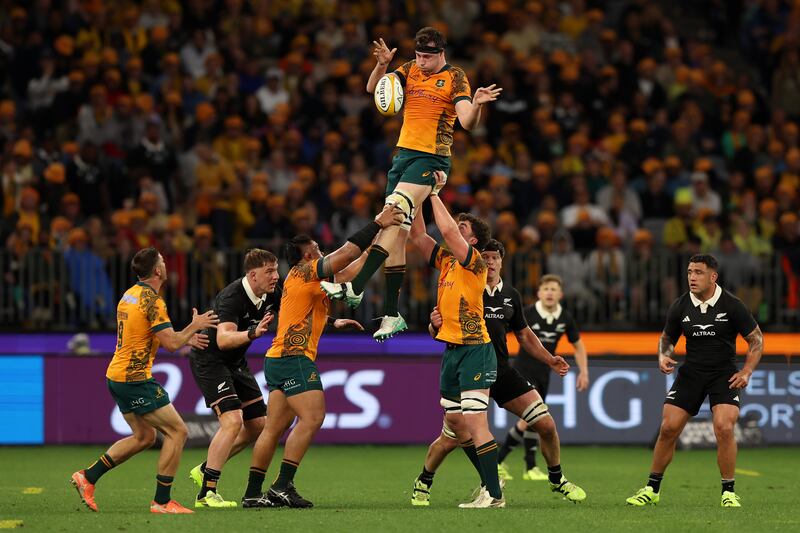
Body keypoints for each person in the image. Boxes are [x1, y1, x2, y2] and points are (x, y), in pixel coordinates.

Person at [321, 26, 502, 342]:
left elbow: (467, 122)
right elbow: (373, 90)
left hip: (431, 158)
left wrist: (478, 104)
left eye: (427, 57)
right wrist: (381, 66)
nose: (421, 61)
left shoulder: (456, 77)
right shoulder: (408, 69)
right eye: (418, 55)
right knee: (398, 233)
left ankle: (358, 286)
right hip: (403, 157)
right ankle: (392, 314)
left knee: (393, 212)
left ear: (440, 53)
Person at [241, 204, 404, 508]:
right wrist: (377, 222)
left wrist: (381, 238)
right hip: (294, 356)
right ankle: (282, 486)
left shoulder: (307, 280)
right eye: (316, 248)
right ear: (307, 256)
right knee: (314, 416)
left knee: (273, 428)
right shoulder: (305, 271)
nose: (321, 250)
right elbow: (345, 255)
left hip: (278, 356)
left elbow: (354, 267)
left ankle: (252, 493)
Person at [411, 239, 587, 507]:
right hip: (469, 368)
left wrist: (550, 359)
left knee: (546, 424)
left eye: (495, 258)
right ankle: (425, 481)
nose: (490, 262)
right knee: (452, 438)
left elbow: (525, 335)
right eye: (486, 257)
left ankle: (556, 478)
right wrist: (433, 326)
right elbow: (440, 332)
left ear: (502, 262)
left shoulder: (511, 295)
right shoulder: (466, 286)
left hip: (501, 370)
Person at [70, 247, 219, 514]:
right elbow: (171, 343)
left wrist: (186, 336)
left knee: (144, 436)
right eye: (163, 261)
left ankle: (88, 477)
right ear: (158, 271)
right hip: (134, 379)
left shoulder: (129, 295)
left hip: (117, 375)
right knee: (178, 432)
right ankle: (162, 502)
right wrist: (194, 326)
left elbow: (144, 337)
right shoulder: (153, 301)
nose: (166, 263)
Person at [626, 254, 763, 508]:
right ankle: (651, 489)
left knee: (723, 427)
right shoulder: (680, 306)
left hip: (724, 375)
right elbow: (667, 338)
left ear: (713, 276)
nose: (692, 277)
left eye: (698, 272)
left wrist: (746, 371)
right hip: (691, 374)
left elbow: (756, 340)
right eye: (689, 272)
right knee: (668, 428)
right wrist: (664, 356)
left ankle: (728, 492)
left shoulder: (732, 305)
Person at [404, 171, 504, 508]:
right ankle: (488, 481)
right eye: (457, 226)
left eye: (464, 228)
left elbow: (444, 228)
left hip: (476, 350)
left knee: (476, 423)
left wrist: (433, 192)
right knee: (456, 425)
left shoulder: (473, 262)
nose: (454, 228)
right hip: (451, 351)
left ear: (473, 241)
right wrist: (412, 194)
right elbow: (418, 235)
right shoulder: (447, 261)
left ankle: (493, 494)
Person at [187, 249, 281, 508]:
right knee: (232, 421)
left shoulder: (271, 293)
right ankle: (206, 493)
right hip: (211, 361)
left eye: (276, 270)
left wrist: (332, 319)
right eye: (269, 271)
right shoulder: (232, 297)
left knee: (259, 425)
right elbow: (224, 339)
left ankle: (205, 468)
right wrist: (252, 332)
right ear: (253, 275)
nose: (276, 276)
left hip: (235, 363)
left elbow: (296, 310)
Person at [498, 274, 589, 480]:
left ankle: (529, 468)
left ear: (561, 294)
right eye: (546, 288)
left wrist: (584, 371)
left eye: (554, 289)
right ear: (539, 293)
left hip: (545, 372)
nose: (549, 292)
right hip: (524, 369)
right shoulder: (528, 312)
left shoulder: (565, 317)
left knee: (534, 420)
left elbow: (578, 345)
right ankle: (499, 460)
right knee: (532, 417)